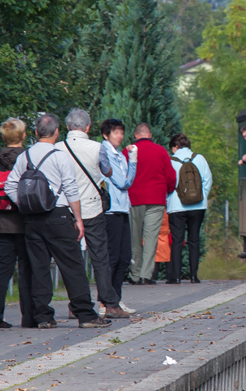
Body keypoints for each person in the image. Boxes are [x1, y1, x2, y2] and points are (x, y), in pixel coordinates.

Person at [4, 113, 110, 329]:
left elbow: (10, 185)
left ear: (35, 133)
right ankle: (85, 315)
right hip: (58, 215)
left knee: (38, 267)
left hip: (32, 219)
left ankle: (43, 316)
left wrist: (25, 204)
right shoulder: (60, 155)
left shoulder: (25, 156)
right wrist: (78, 219)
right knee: (72, 266)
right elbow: (71, 188)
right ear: (57, 132)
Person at [63, 109, 129, 319]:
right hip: (91, 208)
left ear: (66, 128)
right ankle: (110, 304)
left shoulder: (57, 148)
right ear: (88, 127)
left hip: (64, 209)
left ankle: (76, 304)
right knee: (100, 258)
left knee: (71, 260)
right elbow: (107, 171)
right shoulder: (96, 147)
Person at [0, 118, 34, 329]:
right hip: (24, 220)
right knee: (26, 268)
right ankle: (29, 316)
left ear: (3, 137)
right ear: (23, 136)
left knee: (3, 267)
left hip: (1, 221)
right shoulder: (29, 159)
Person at [126, 123, 175, 285]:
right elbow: (171, 176)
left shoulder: (129, 151)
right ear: (151, 135)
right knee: (151, 238)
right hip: (156, 199)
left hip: (134, 199)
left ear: (136, 135)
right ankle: (146, 275)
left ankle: (134, 274)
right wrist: (168, 190)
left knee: (134, 238)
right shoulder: (161, 151)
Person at [99, 119, 138, 311]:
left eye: (121, 132)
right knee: (112, 257)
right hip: (111, 210)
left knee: (124, 257)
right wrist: (134, 161)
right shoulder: (104, 152)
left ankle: (115, 298)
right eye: (116, 132)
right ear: (106, 134)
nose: (120, 136)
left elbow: (127, 181)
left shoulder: (120, 155)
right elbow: (124, 181)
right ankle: (105, 301)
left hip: (123, 208)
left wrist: (129, 160)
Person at [166, 133, 212, 284]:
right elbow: (208, 180)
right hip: (198, 205)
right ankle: (194, 276)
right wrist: (201, 196)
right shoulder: (200, 158)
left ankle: (176, 277)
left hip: (176, 206)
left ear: (175, 147)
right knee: (194, 240)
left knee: (177, 241)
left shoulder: (170, 161)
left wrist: (169, 199)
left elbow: (168, 182)